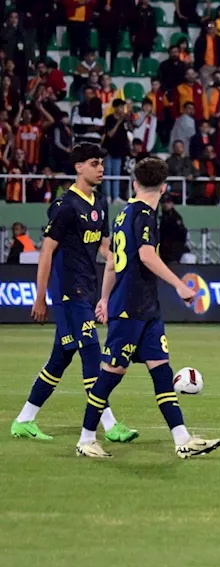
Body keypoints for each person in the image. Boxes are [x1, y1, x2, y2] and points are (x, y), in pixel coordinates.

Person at [73, 157, 217, 459]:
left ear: (135, 183)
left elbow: (111, 262)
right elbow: (147, 256)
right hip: (130, 308)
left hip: (145, 308)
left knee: (162, 371)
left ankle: (182, 440)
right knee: (111, 374)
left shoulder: (123, 215)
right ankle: (86, 439)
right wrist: (179, 285)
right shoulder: (145, 216)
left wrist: (102, 298)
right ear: (164, 188)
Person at [10, 144, 138, 444]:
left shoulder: (101, 203)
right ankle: (109, 426)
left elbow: (103, 247)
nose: (101, 169)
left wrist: (124, 263)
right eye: (95, 163)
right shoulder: (65, 206)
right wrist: (40, 297)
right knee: (92, 353)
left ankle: (24, 420)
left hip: (87, 288)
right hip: (68, 291)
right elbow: (47, 253)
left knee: (60, 358)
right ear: (79, 167)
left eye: (102, 163)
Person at [101, 99, 131, 201]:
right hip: (108, 150)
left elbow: (129, 131)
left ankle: (116, 196)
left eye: (123, 107)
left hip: (119, 152)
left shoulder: (125, 120)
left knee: (116, 174)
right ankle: (107, 196)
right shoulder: (110, 118)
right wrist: (118, 122)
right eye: (120, 107)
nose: (122, 109)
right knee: (108, 173)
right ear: (115, 108)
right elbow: (110, 134)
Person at [158, 194, 188, 262]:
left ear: (172, 204)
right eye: (163, 202)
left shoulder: (175, 217)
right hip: (164, 251)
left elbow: (182, 233)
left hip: (173, 251)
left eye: (167, 202)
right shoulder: (163, 217)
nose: (165, 204)